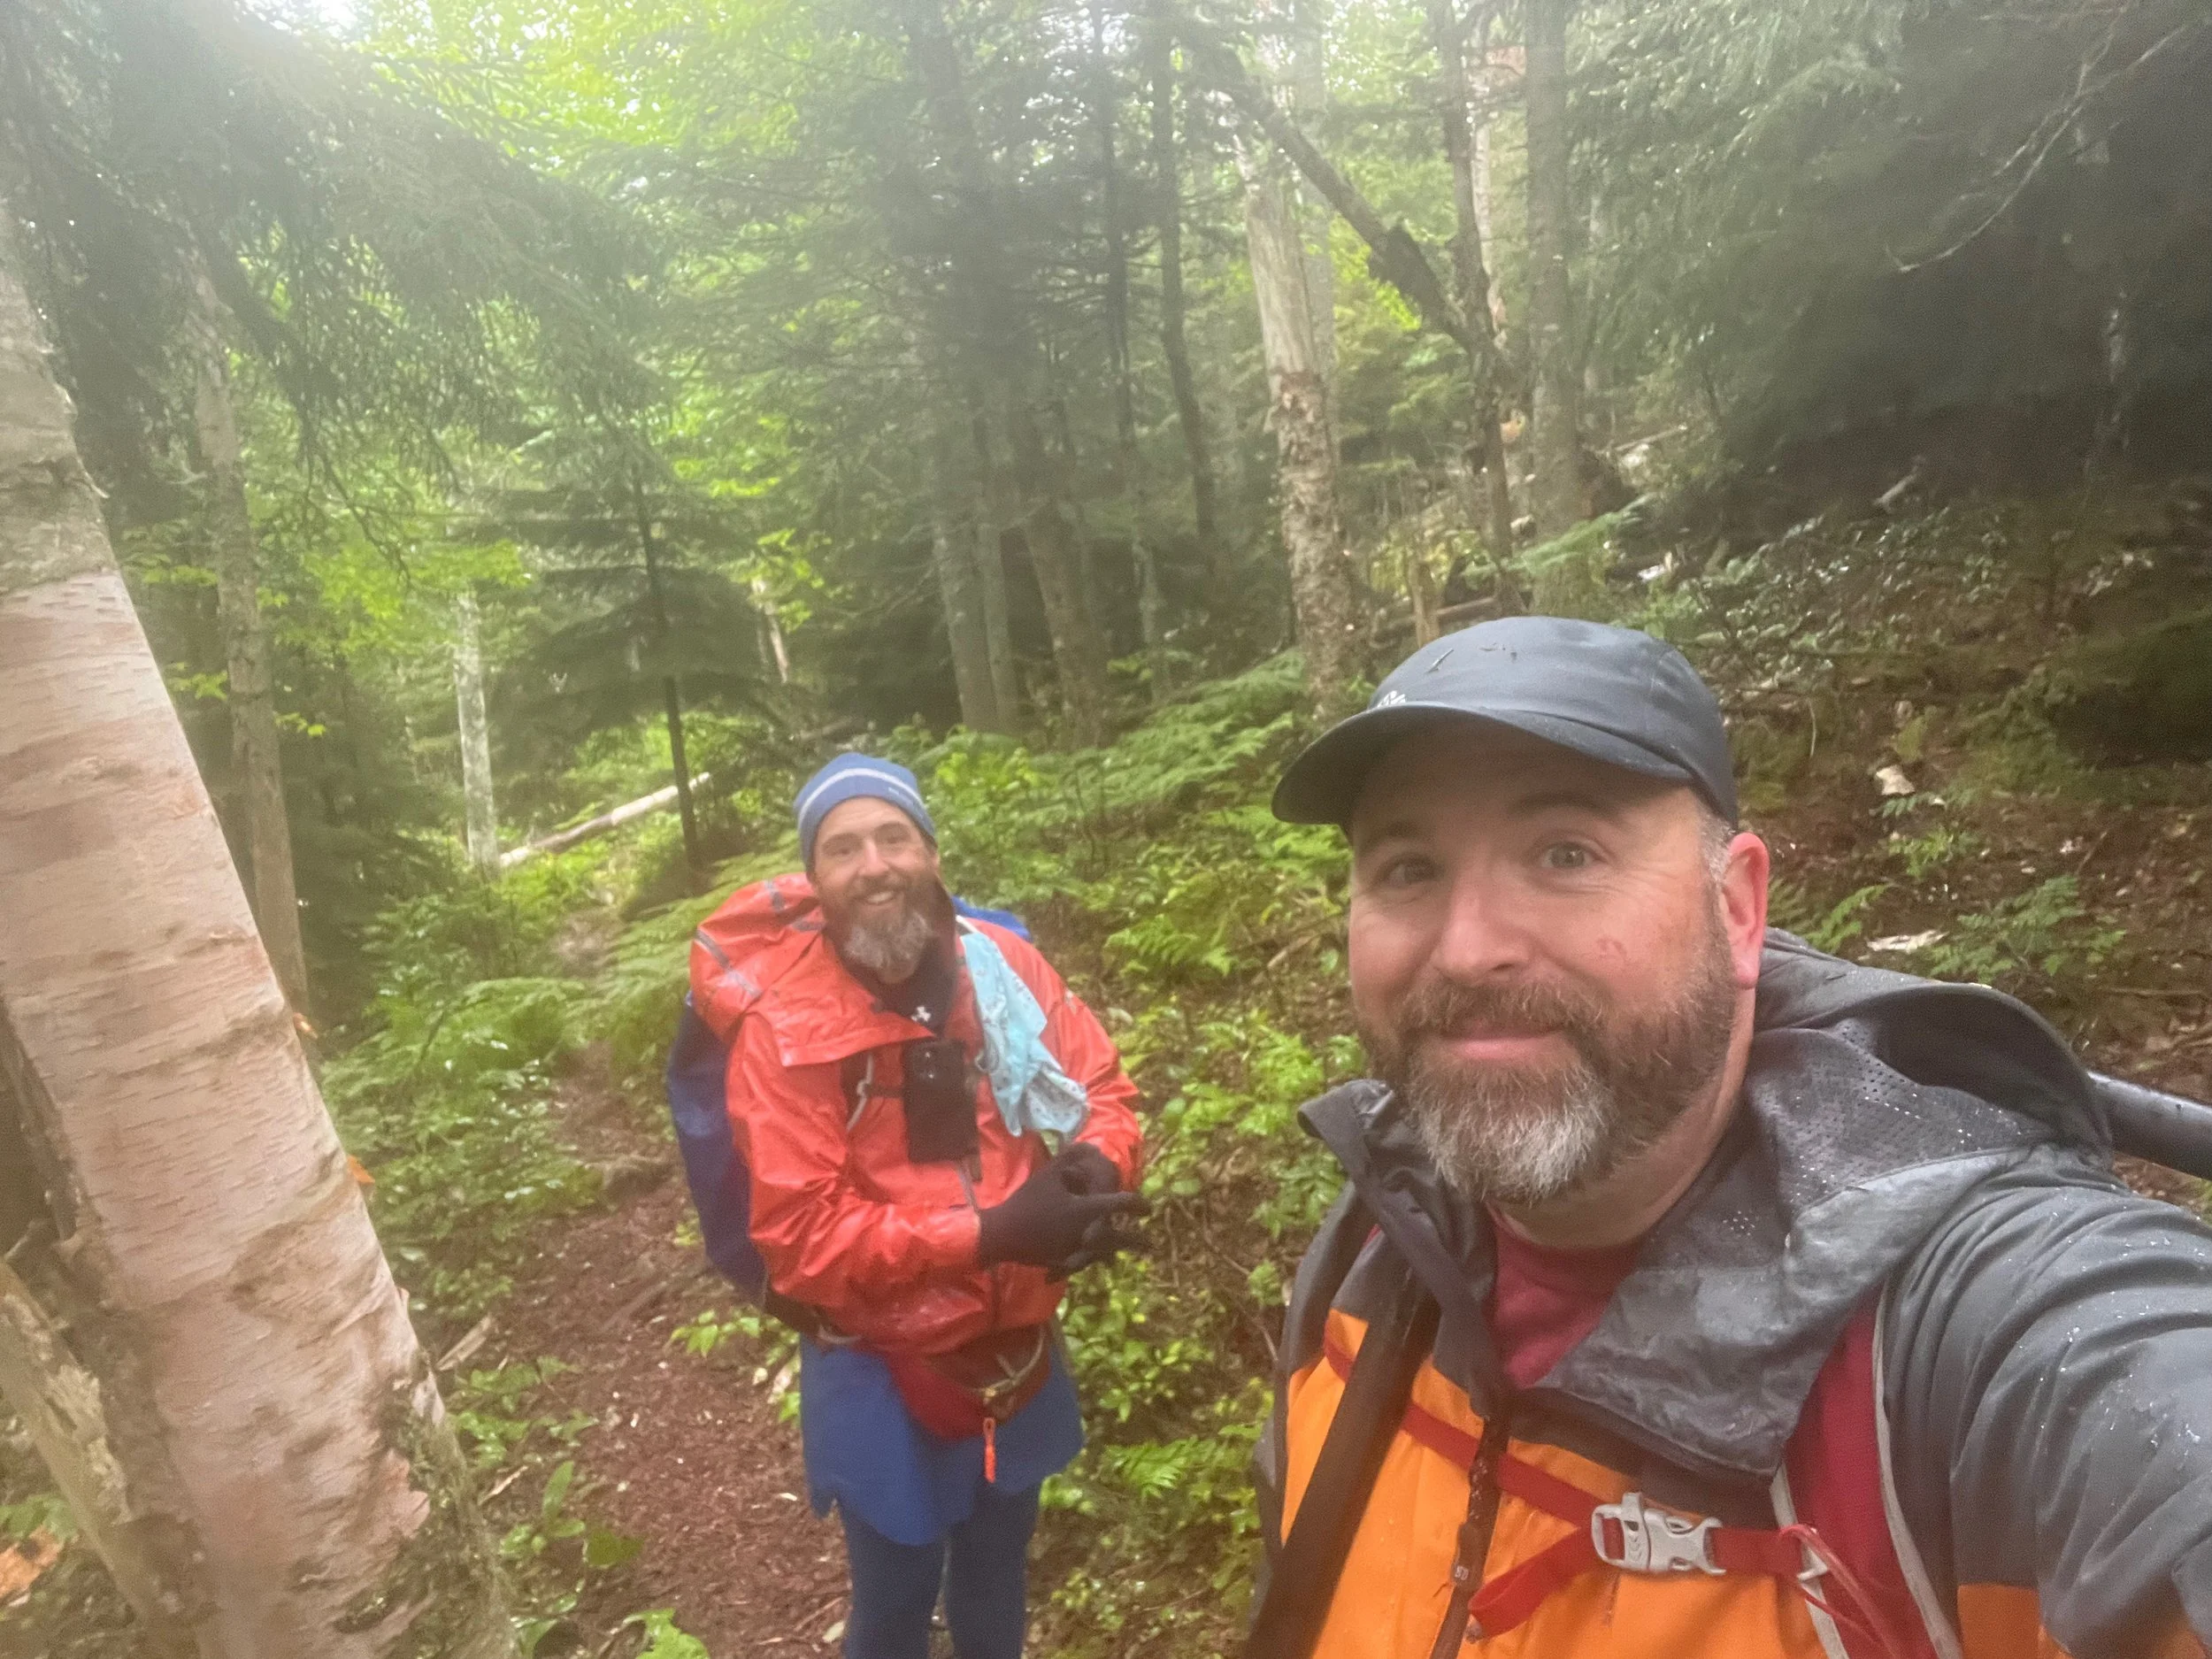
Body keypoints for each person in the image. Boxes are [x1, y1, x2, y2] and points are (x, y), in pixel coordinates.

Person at [1251, 616, 2212, 1659]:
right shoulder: (1377, 1248)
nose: (1468, 946)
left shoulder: (1968, 1336)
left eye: (1564, 853)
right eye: (1405, 869)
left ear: (1739, 910)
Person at [687, 753, 1145, 1659]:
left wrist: (1097, 1160)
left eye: (893, 836)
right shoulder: (783, 1025)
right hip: (874, 1358)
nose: (873, 865)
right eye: (842, 848)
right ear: (813, 881)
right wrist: (993, 1233)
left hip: (1016, 1339)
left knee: (998, 1565)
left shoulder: (1002, 965)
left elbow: (1101, 1085)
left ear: (931, 853)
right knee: (894, 1593)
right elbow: (802, 1238)